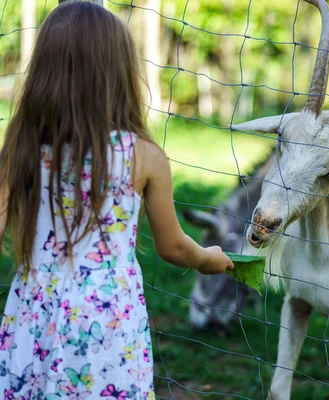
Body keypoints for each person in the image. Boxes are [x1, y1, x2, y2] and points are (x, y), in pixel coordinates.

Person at [0, 2, 234, 398]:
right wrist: (209, 258)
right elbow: (174, 246)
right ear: (120, 72)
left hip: (36, 308)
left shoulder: (22, 145)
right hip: (107, 318)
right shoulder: (143, 155)